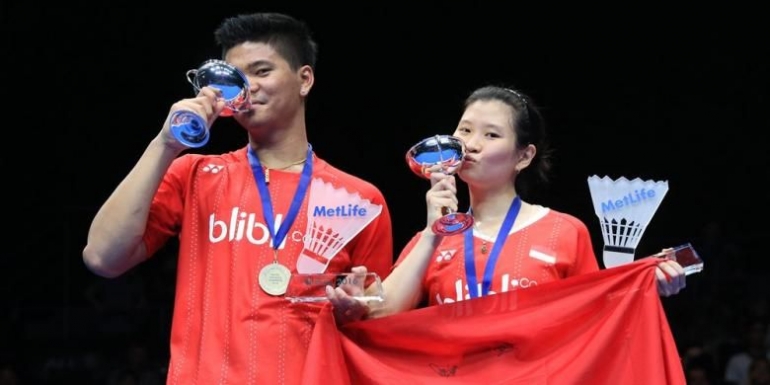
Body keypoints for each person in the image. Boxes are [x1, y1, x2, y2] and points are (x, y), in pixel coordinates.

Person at [82, 12, 394, 384]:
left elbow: (381, 326)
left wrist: (354, 313)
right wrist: (165, 144)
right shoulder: (194, 175)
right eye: (237, 78)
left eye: (262, 71)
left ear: (304, 79)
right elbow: (103, 257)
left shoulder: (360, 200)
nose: (249, 87)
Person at [327, 84, 685, 323]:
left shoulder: (564, 232)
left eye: (491, 134)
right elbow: (381, 315)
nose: (472, 144)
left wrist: (643, 285)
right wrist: (432, 232)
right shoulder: (433, 237)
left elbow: (597, 318)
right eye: (465, 130)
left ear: (524, 156)